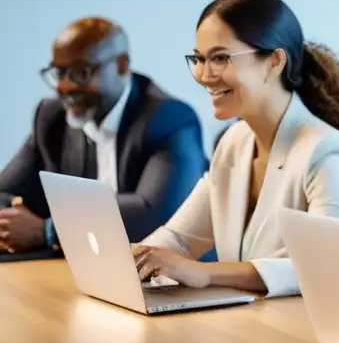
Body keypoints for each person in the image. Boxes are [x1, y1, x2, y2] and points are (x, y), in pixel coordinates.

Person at [133, 0, 339, 297]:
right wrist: (134, 259)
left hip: (305, 328)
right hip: (248, 323)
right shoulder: (234, 142)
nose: (203, 74)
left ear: (274, 61)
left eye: (220, 58)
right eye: (199, 58)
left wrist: (202, 273)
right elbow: (180, 239)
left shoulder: (328, 151)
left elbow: (324, 264)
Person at [0, 17, 206, 258]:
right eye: (59, 72)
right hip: (87, 268)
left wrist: (49, 230)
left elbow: (153, 214)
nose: (63, 86)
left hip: (174, 278)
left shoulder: (169, 118)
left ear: (121, 65)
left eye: (80, 72)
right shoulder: (52, 117)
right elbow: (6, 193)